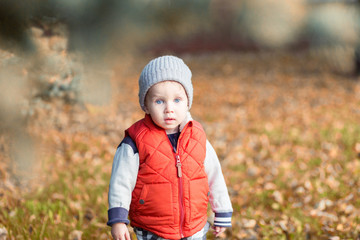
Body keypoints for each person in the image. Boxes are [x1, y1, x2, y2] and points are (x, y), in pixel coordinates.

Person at [107, 56, 233, 240]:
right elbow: (121, 181)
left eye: (177, 100)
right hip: (152, 227)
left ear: (187, 101)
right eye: (159, 101)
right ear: (146, 105)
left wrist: (221, 211)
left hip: (194, 226)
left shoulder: (197, 136)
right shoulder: (135, 141)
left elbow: (214, 174)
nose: (169, 109)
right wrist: (118, 219)